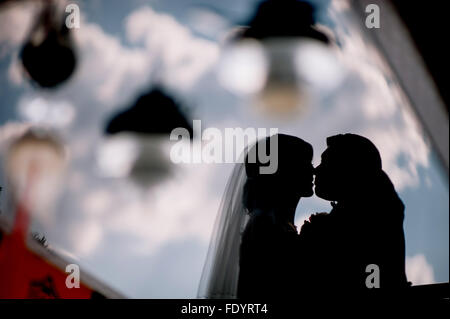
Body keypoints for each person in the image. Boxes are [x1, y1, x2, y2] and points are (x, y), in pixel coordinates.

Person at [197, 134, 314, 298]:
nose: (313, 169)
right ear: (282, 170)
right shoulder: (263, 224)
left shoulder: (277, 223)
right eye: (305, 163)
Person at [298, 133, 408, 294]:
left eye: (325, 162)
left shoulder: (364, 218)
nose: (316, 170)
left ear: (347, 170)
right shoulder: (369, 208)